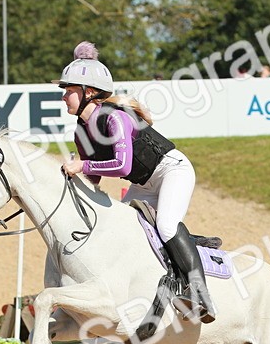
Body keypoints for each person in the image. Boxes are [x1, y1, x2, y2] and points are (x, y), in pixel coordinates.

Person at [55, 41, 215, 324]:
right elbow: (95, 176)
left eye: (69, 90)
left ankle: (200, 294)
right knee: (119, 231)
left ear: (89, 92)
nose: (64, 96)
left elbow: (122, 165)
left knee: (166, 225)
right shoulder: (81, 132)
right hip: (142, 183)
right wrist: (75, 176)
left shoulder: (115, 118)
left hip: (171, 171)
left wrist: (81, 165)